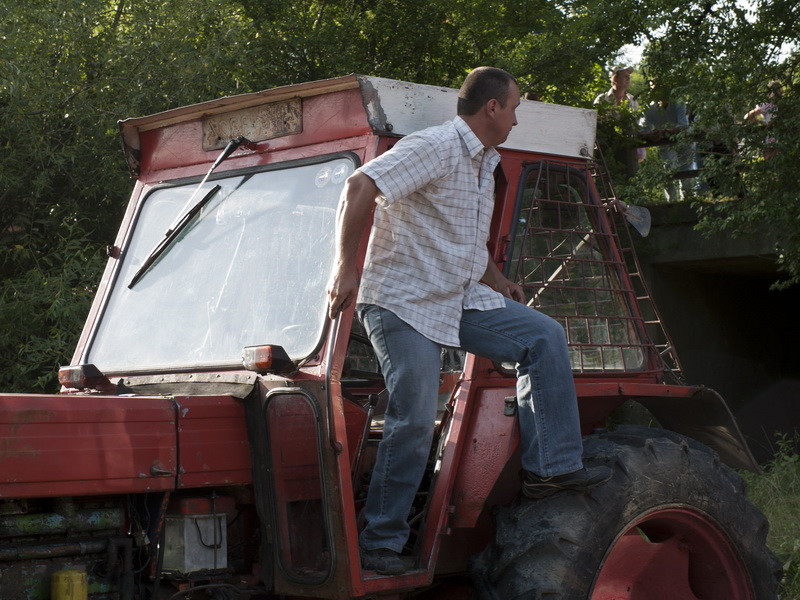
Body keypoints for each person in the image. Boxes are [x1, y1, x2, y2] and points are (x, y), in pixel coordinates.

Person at [326, 67, 612, 576]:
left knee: (543, 336)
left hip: (455, 297)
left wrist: (497, 279)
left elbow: (463, 240)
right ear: (492, 108)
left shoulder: (484, 161)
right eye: (516, 107)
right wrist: (345, 268)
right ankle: (381, 543)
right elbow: (359, 185)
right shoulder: (435, 146)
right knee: (413, 415)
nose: (518, 117)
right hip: (403, 301)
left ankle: (552, 469)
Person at [641, 80, 694, 201]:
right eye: (655, 89)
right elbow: (644, 130)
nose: (659, 92)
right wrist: (651, 135)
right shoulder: (649, 109)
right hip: (664, 144)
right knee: (668, 170)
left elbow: (684, 127)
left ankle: (688, 200)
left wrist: (663, 132)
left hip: (685, 141)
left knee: (686, 169)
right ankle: (672, 202)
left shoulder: (678, 102)